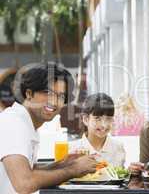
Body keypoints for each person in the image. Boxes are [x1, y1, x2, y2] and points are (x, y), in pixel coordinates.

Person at [0, 62, 97, 194]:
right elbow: (24, 183)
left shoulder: (26, 123)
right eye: (47, 92)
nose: (54, 101)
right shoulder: (14, 123)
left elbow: (30, 171)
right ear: (29, 93)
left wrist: (62, 164)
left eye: (61, 96)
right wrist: (73, 170)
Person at [69, 93, 126, 167]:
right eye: (97, 118)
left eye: (108, 118)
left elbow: (120, 176)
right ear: (86, 119)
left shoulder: (118, 147)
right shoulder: (73, 149)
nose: (104, 125)